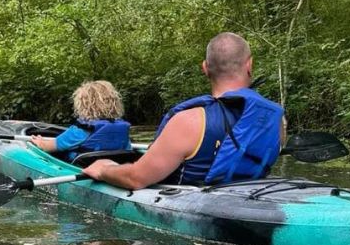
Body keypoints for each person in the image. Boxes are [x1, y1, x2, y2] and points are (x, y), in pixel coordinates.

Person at [83, 32, 284, 189]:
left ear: (205, 68)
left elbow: (135, 179)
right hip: (250, 198)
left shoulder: (189, 121)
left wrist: (105, 169)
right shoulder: (278, 122)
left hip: (195, 209)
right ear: (250, 65)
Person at [29, 80, 131, 160]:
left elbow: (49, 147)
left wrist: (40, 142)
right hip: (113, 166)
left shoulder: (81, 130)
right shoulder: (122, 130)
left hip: (82, 168)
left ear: (83, 106)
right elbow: (127, 150)